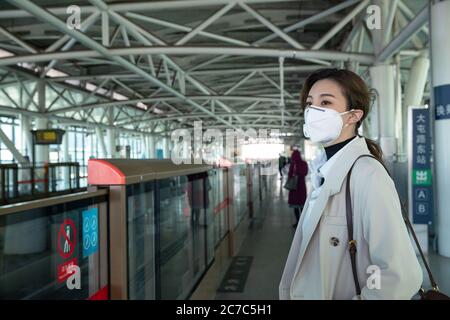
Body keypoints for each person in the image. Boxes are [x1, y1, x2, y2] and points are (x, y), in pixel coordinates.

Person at [279, 68, 422, 300]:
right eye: (309, 103)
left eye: (325, 102)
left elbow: (401, 276)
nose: (312, 111)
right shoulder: (327, 171)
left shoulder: (368, 174)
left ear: (353, 115)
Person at [287, 146, 308, 228]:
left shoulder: (293, 164)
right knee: (302, 205)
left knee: (295, 206)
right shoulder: (304, 163)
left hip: (294, 188)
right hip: (302, 186)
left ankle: (298, 222)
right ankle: (303, 222)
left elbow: (289, 175)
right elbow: (305, 173)